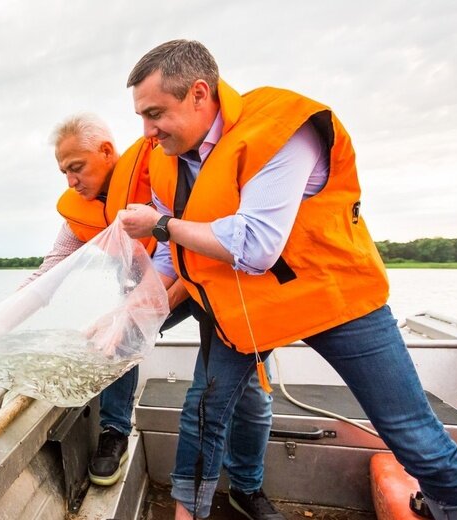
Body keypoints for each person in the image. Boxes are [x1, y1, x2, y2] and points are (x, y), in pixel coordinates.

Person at [118, 39, 457, 520]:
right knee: (205, 408)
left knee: (409, 429)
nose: (146, 131)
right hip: (248, 304)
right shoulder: (167, 158)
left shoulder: (283, 128)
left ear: (200, 94)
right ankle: (189, 512)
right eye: (141, 117)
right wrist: (130, 312)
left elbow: (255, 246)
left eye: (155, 113)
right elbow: (171, 253)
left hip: (334, 297)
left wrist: (160, 225)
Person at [25, 114, 274, 498]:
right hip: (153, 288)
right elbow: (49, 271)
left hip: (213, 283)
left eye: (77, 168)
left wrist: (141, 309)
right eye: (64, 173)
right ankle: (115, 432)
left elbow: (196, 248)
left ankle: (247, 487)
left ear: (106, 151)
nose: (71, 181)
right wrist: (4, 315)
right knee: (117, 337)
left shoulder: (164, 172)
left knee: (252, 395)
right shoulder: (81, 209)